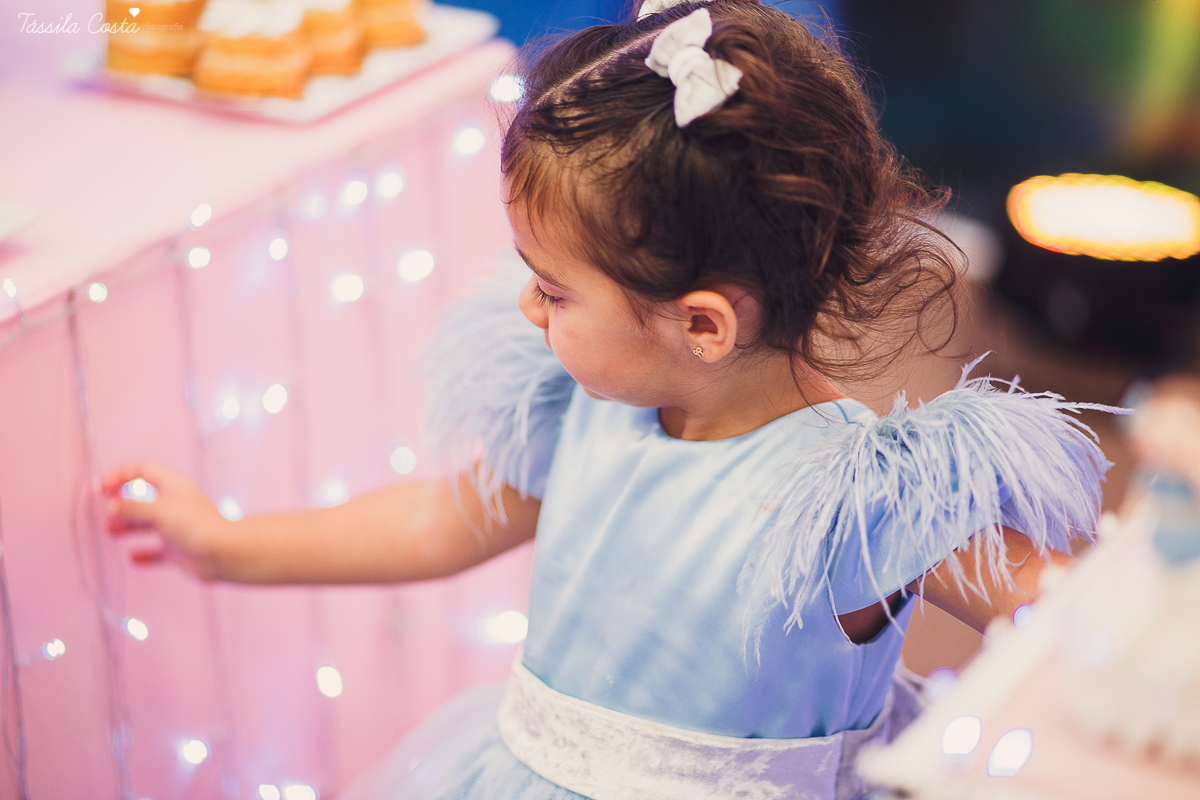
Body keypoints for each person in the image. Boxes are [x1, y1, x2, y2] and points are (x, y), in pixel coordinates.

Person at [102, 2, 1115, 798]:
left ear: (703, 323)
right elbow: (433, 520)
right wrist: (227, 544)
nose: (523, 304)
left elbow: (1069, 618)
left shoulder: (858, 497)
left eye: (555, 287)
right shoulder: (584, 408)